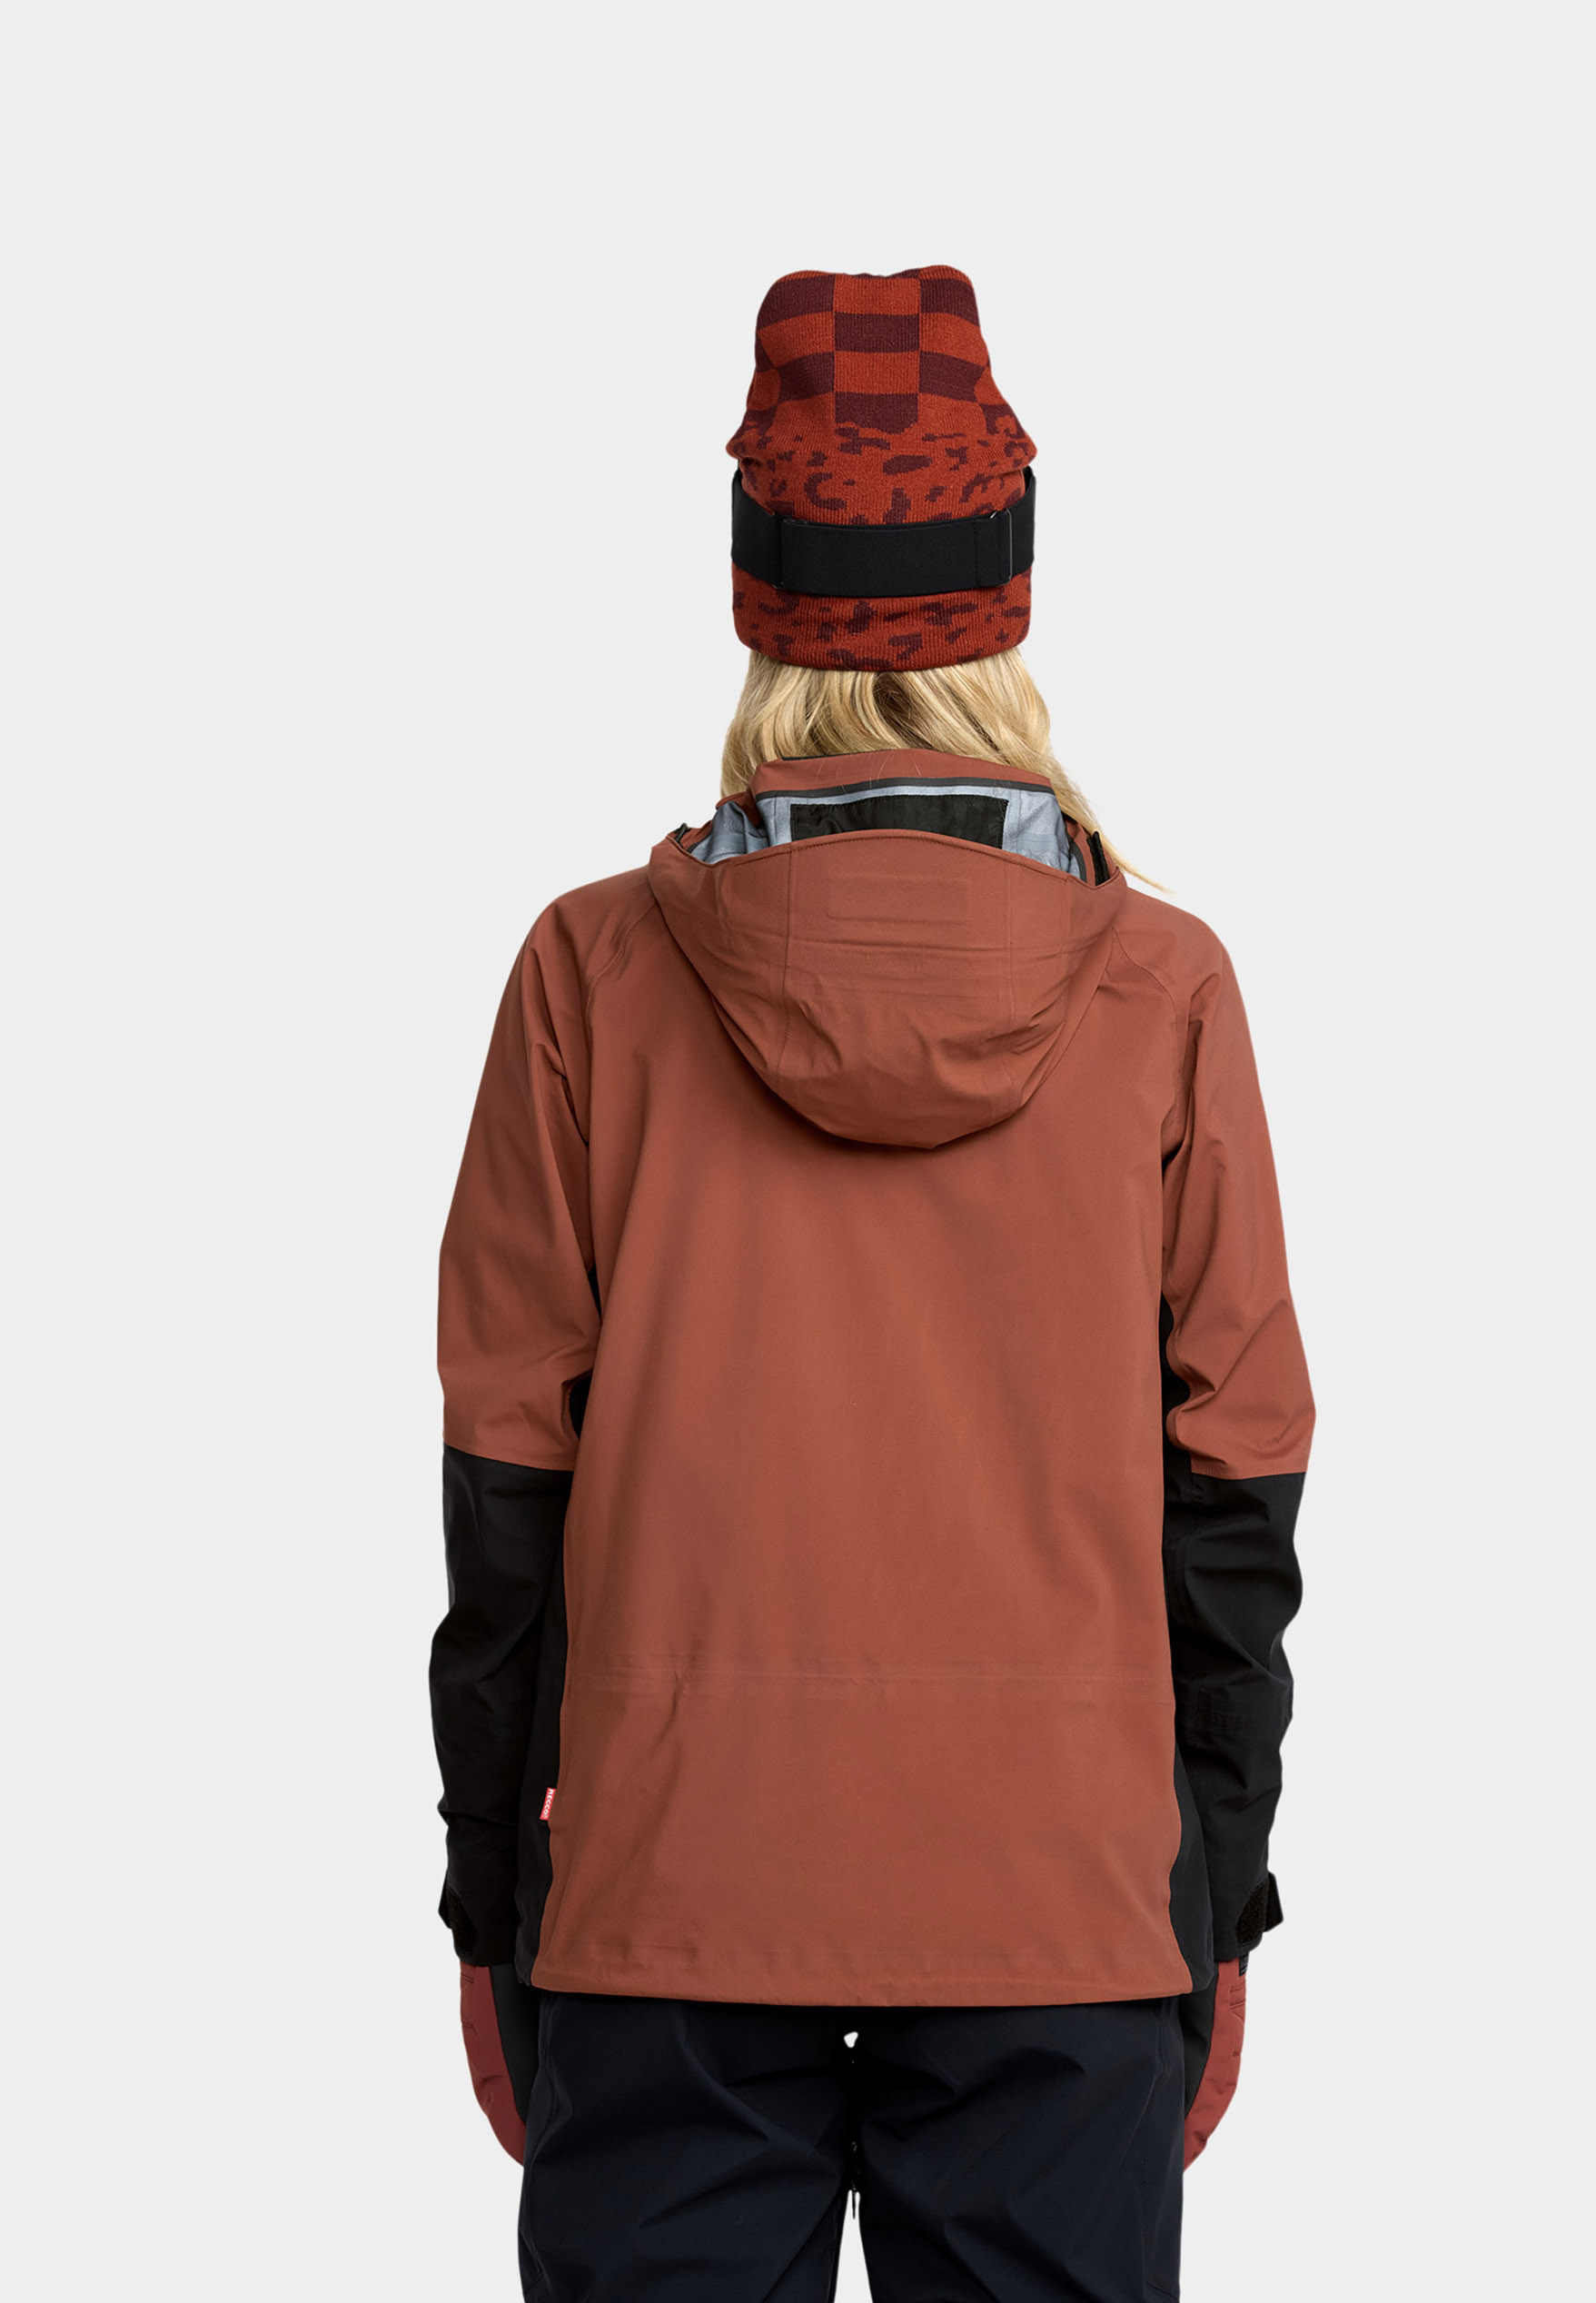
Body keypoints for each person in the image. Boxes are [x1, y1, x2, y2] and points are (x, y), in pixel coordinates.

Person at [431, 264, 1313, 2303]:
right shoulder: (1161, 986)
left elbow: (503, 1485)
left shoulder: (592, 975)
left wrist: (494, 1894)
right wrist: (1214, 1897)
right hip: (1060, 1902)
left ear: (759, 592)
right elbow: (1239, 1486)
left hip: (667, 1885)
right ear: (1008, 592)